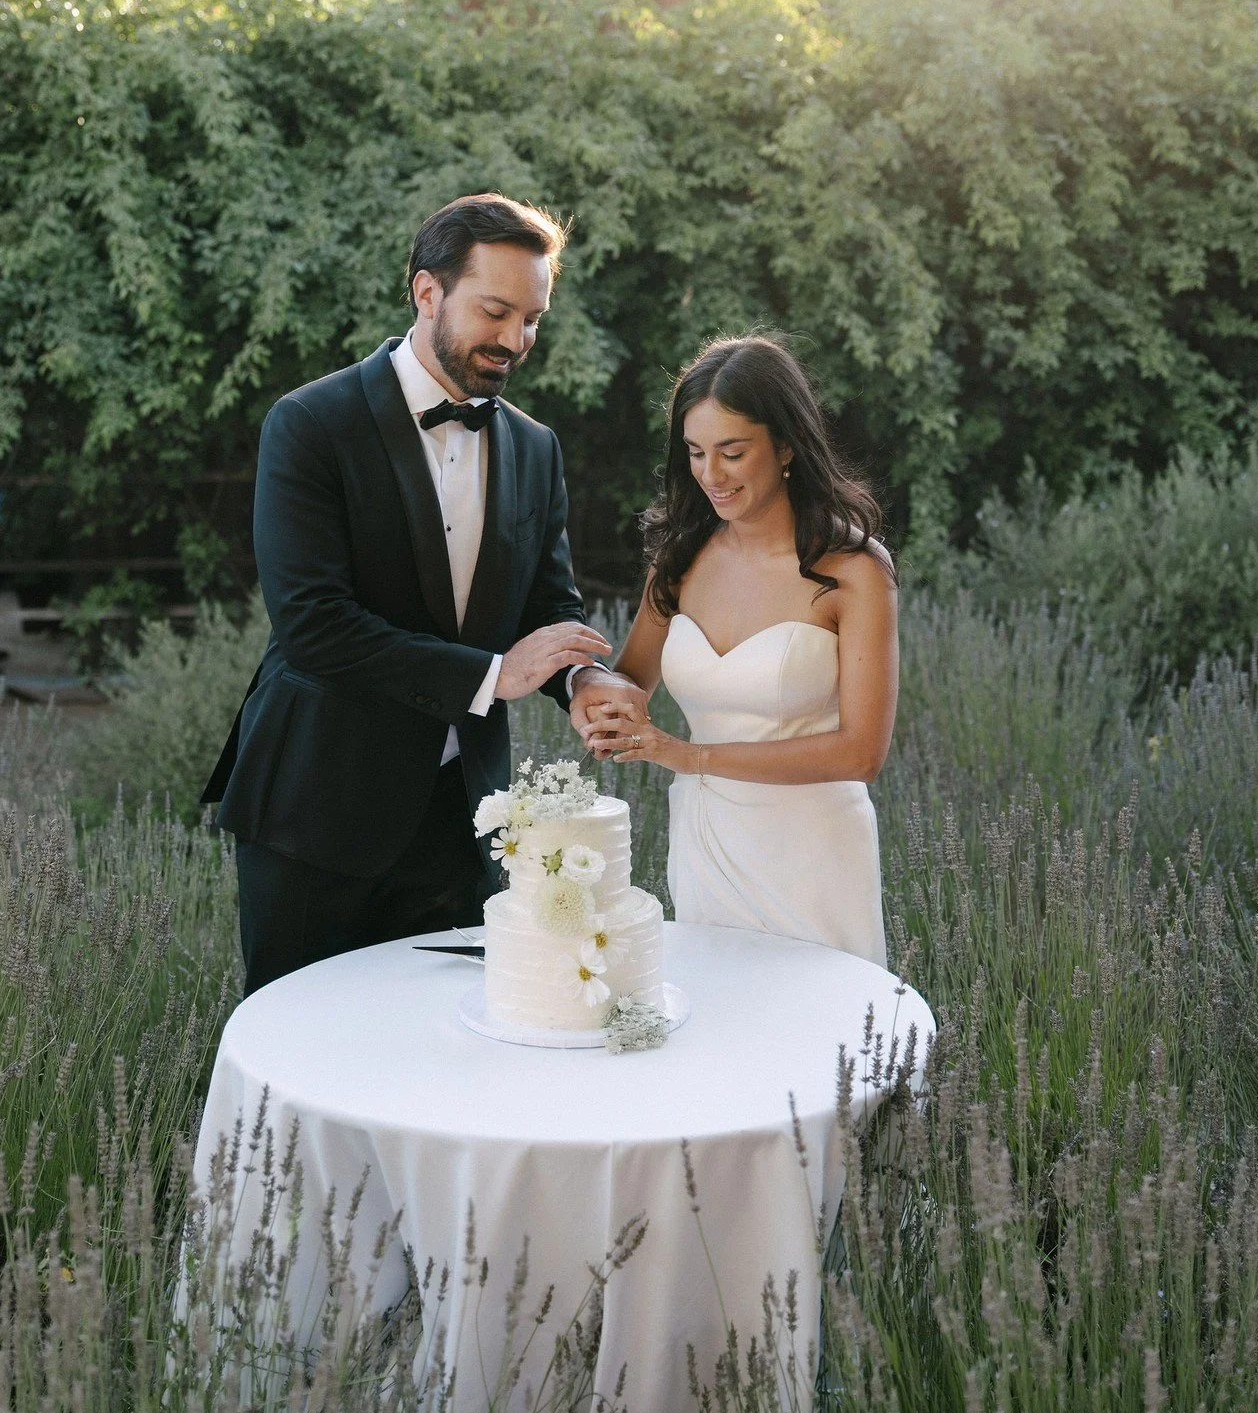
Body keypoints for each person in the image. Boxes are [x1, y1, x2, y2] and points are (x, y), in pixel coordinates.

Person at [201, 193, 638, 995]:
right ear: (427, 292)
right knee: (305, 1063)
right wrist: (492, 675)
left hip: (462, 821)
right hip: (316, 815)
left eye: (533, 318)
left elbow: (551, 604)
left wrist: (582, 678)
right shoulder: (308, 424)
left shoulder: (536, 449)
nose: (516, 339)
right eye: (496, 311)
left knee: (448, 1061)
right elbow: (313, 627)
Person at [579, 336, 897, 967]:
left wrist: (686, 754)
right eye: (696, 453)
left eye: (732, 452)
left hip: (812, 852)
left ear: (785, 447)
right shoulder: (681, 559)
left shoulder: (854, 572)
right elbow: (629, 680)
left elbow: (863, 753)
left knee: (825, 1045)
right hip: (706, 842)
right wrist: (593, 694)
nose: (711, 476)